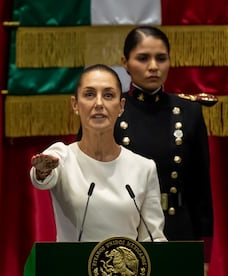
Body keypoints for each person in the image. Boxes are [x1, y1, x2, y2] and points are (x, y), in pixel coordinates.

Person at [78, 26, 214, 271]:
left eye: (161, 58)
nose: (153, 66)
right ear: (125, 63)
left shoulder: (189, 112)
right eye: (143, 58)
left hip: (178, 229)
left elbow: (200, 189)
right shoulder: (109, 111)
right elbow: (87, 177)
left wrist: (204, 253)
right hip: (123, 230)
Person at [30, 64, 167, 243]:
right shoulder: (62, 156)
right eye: (89, 95)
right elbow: (42, 178)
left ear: (121, 106)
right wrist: (42, 171)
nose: (99, 104)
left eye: (108, 95)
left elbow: (153, 237)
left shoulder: (144, 168)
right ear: (75, 104)